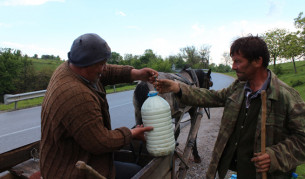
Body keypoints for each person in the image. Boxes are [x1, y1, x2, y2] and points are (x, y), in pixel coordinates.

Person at [155, 35, 305, 179]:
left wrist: (275, 156)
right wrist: (178, 88)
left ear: (258, 61)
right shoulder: (239, 87)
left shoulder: (286, 96)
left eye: (238, 61)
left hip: (267, 175)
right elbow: (212, 97)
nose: (233, 67)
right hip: (242, 169)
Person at [40, 33, 158, 179]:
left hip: (74, 154)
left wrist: (136, 74)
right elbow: (100, 142)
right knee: (140, 173)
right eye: (101, 64)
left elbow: (107, 71)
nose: (104, 68)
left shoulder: (71, 67)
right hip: (70, 170)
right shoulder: (76, 95)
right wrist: (131, 133)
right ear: (86, 65)